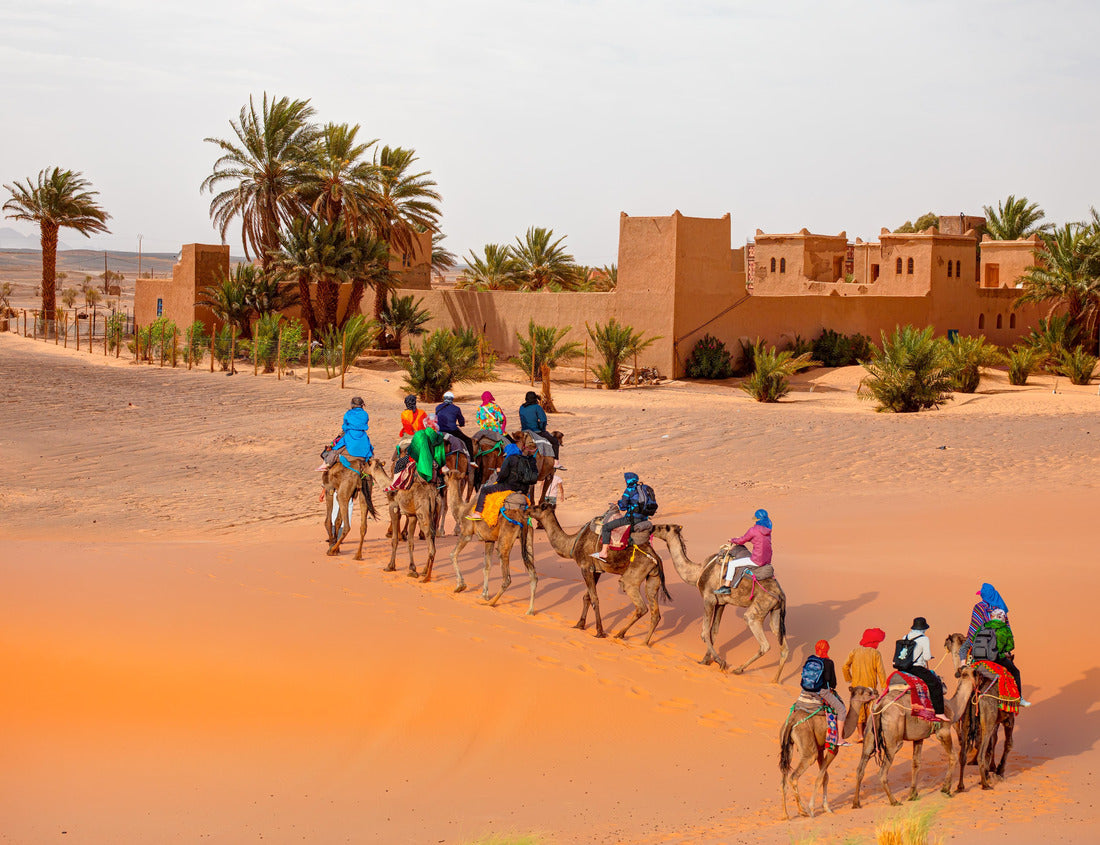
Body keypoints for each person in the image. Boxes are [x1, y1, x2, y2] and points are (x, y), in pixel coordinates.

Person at [897, 617, 949, 721]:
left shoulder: (905, 637)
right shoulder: (924, 639)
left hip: (903, 668)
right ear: (924, 628)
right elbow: (926, 657)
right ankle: (939, 712)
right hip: (916, 668)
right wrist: (929, 657)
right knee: (936, 684)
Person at [842, 627, 889, 739]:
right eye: (877, 642)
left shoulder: (854, 651)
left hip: (856, 687)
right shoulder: (876, 653)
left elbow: (845, 666)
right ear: (873, 642)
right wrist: (884, 686)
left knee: (858, 710)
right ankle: (869, 734)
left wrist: (849, 678)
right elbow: (881, 671)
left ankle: (860, 735)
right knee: (870, 710)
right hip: (870, 688)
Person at [467, 442, 532, 520]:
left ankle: (478, 513)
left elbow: (502, 477)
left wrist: (499, 472)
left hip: (510, 486)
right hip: (524, 489)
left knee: (484, 490)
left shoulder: (509, 459)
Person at [978, 607, 1030, 707]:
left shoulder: (983, 626)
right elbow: (1011, 646)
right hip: (996, 658)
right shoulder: (1005, 629)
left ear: (992, 617)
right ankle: (1019, 699)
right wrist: (1002, 650)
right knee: (1016, 672)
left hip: (979, 658)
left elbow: (975, 639)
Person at [715, 509, 772, 596]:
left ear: (758, 519)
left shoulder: (753, 530)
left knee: (732, 564)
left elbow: (742, 541)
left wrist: (733, 540)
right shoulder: (768, 530)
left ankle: (726, 587)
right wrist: (744, 539)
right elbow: (758, 540)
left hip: (757, 560)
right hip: (767, 559)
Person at [591, 472, 645, 561]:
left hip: (632, 519)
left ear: (628, 481)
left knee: (606, 527)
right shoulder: (643, 489)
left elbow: (623, 507)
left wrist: (619, 503)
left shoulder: (629, 490)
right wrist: (620, 501)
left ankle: (603, 552)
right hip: (644, 518)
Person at [801, 639, 846, 732]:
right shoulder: (829, 662)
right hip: (822, 692)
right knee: (841, 710)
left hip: (806, 690)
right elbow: (833, 683)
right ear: (827, 649)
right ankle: (840, 737)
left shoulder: (810, 659)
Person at [962, 582, 1010, 661]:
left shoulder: (979, 607)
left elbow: (975, 626)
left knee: (963, 649)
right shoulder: (1001, 608)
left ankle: (963, 666)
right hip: (999, 638)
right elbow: (1006, 626)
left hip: (982, 637)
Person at [519, 391, 560, 460]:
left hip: (524, 431)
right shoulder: (537, 407)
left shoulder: (522, 407)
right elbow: (543, 420)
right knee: (555, 442)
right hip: (536, 431)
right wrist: (542, 429)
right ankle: (556, 462)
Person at [436, 391, 474, 458]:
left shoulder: (438, 407)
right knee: (468, 440)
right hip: (452, 430)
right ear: (452, 399)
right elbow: (461, 420)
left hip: (440, 430)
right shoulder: (456, 408)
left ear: (444, 398)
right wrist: (461, 424)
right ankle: (472, 460)